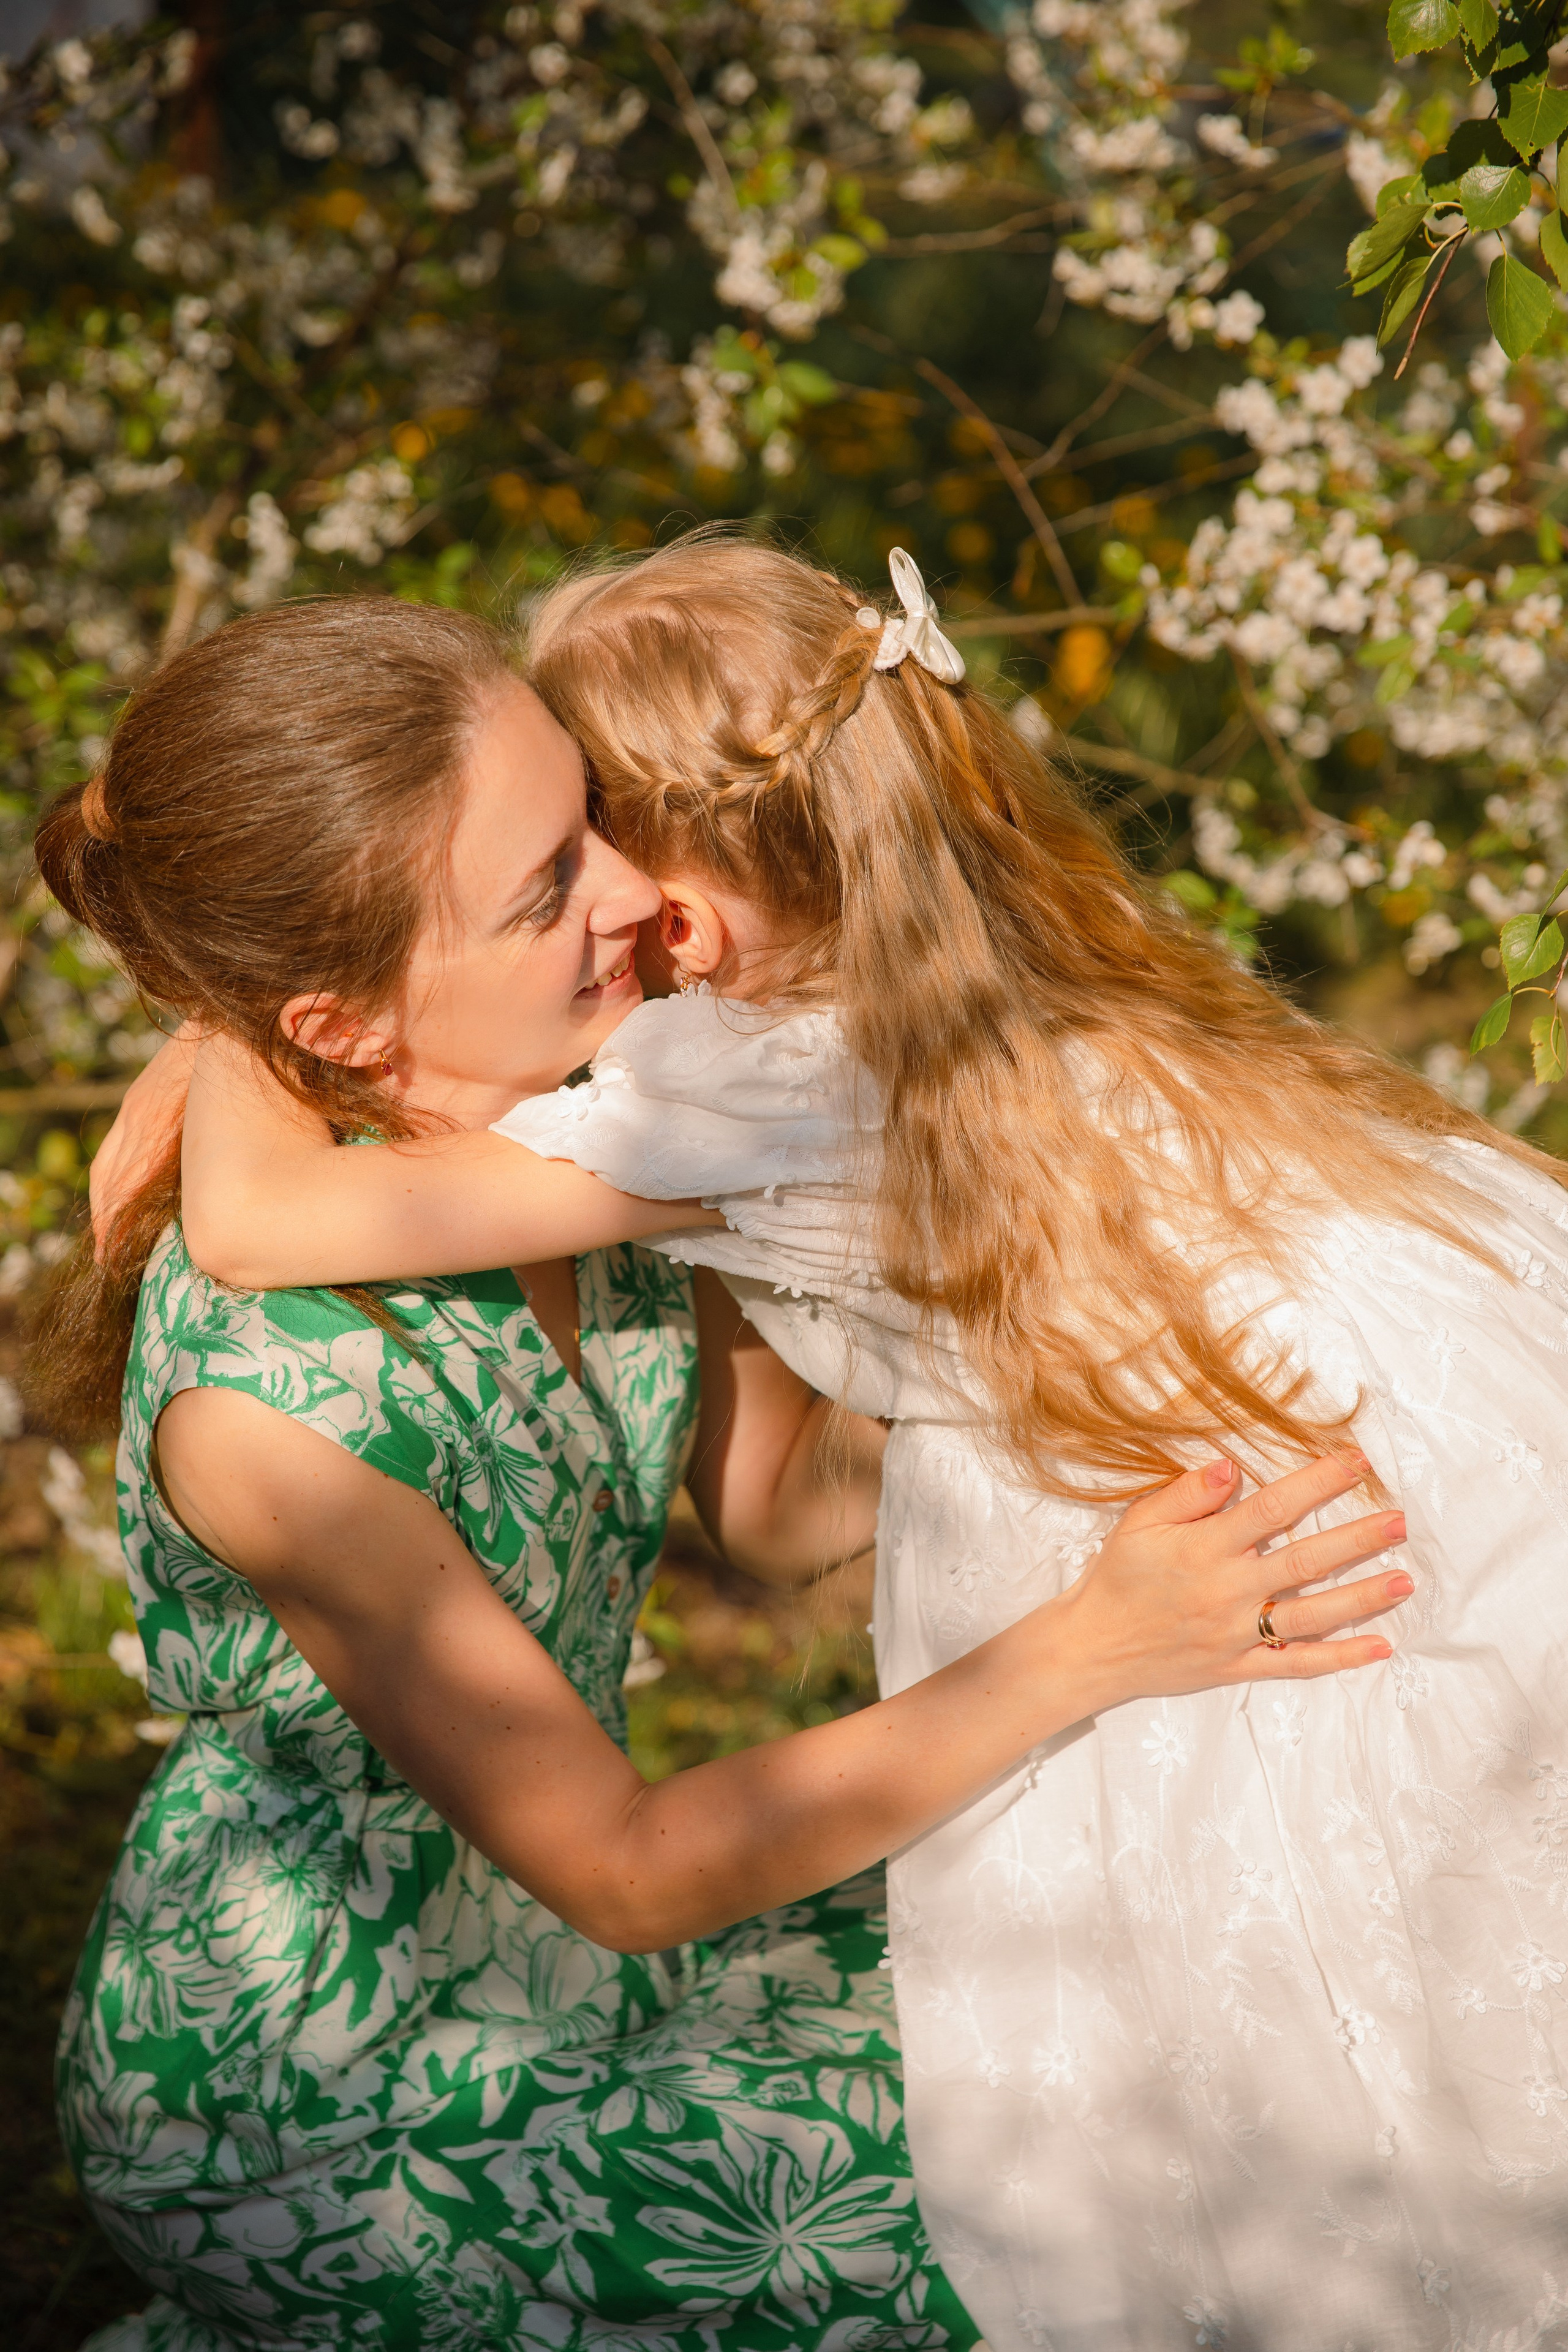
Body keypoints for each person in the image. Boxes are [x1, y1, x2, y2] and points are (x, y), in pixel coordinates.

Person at [145, 536, 1568, 2352]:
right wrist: (248, 981)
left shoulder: (722, 1082)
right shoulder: (936, 989)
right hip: (1437, 1390)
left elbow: (747, 1479)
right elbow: (736, 1489)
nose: (601, 901)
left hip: (1314, 1466)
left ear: (701, 913)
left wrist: (214, 1032)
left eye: (598, 833)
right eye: (544, 870)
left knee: (1301, 1995)